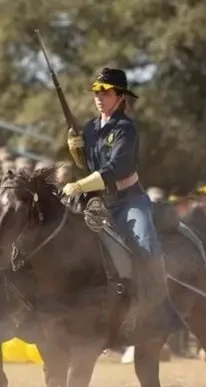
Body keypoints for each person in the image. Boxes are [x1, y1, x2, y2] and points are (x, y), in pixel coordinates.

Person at [61, 67, 180, 338]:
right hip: (98, 201)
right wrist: (77, 154)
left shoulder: (126, 128)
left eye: (105, 93)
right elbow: (91, 164)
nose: (99, 98)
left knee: (146, 245)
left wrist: (79, 184)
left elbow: (116, 168)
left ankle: (162, 307)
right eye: (96, 93)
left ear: (120, 97)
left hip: (128, 200)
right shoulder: (91, 127)